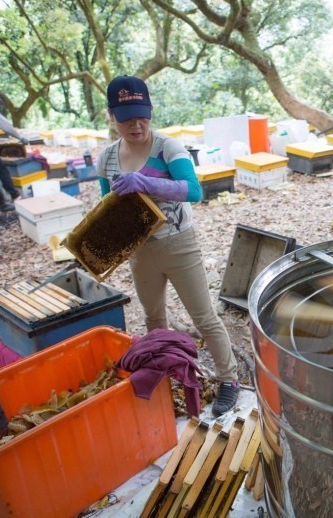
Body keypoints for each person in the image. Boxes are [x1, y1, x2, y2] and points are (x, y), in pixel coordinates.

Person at [96, 75, 240, 416]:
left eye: (142, 114)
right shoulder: (107, 159)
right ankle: (166, 372)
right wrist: (101, 242)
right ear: (111, 116)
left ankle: (229, 379)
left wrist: (145, 182)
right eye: (127, 116)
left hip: (178, 244)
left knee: (203, 316)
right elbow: (108, 206)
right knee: (153, 316)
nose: (137, 124)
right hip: (140, 250)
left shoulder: (167, 148)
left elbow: (193, 190)